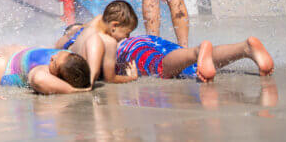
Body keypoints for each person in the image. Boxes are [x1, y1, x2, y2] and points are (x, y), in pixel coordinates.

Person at [117, 33, 274, 82]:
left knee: (160, 67)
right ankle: (244, 48)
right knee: (190, 64)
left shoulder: (112, 45)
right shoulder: (136, 37)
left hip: (131, 50)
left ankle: (197, 52)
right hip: (149, 39)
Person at [55, 0, 140, 86]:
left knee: (76, 29)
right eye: (127, 33)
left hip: (69, 47)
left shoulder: (98, 19)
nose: (127, 37)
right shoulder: (110, 42)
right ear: (114, 25)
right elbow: (110, 78)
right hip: (78, 74)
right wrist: (132, 77)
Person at [0, 44, 91, 95]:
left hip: (5, 68)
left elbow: (38, 79)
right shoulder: (71, 61)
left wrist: (72, 90)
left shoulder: (44, 72)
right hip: (17, 54)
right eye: (58, 54)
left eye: (54, 62)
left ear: (57, 76)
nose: (53, 56)